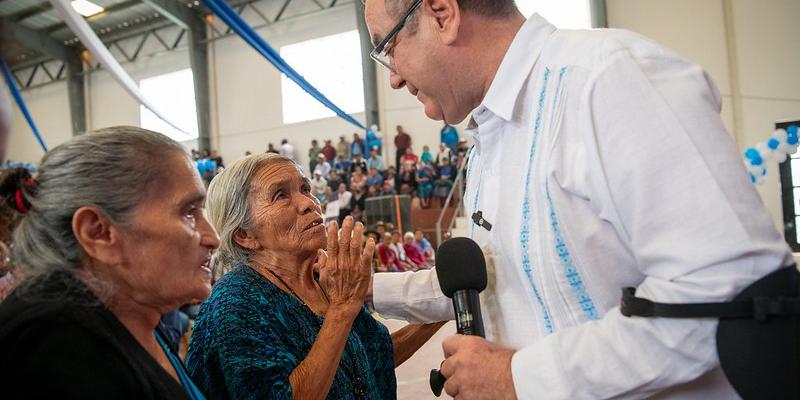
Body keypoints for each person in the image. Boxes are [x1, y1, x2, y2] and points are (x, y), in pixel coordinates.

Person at [364, 0, 793, 399]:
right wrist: (366, 288)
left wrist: (518, 377)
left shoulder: (606, 80)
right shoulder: (487, 143)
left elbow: (727, 293)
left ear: (442, 14)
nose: (393, 78)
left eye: (387, 47)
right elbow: (499, 282)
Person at [187, 154, 445, 398]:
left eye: (305, 188)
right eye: (280, 195)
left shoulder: (322, 282)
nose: (308, 203)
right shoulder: (235, 303)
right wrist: (342, 310)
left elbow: (376, 355)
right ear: (245, 235)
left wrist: (446, 303)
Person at [0, 126, 219, 398]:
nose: (213, 238)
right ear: (98, 233)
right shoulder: (56, 347)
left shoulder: (133, 314)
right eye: (188, 213)